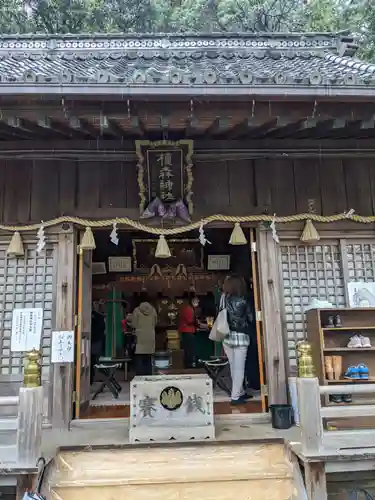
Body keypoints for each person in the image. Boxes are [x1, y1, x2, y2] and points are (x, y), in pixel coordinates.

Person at [222, 274, 253, 405]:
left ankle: (239, 392)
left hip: (226, 336)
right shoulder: (245, 300)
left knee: (234, 366)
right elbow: (251, 318)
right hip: (240, 336)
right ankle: (235, 397)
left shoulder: (224, 298)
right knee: (239, 368)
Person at [131, 292, 158, 376]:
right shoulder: (153, 310)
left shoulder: (136, 310)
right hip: (150, 335)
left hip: (140, 336)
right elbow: (155, 322)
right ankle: (149, 375)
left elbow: (134, 324)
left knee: (139, 357)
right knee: (148, 357)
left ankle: (139, 375)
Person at [179, 292, 198, 368]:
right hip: (188, 331)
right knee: (189, 350)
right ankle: (189, 365)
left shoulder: (189, 308)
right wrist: (197, 323)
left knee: (189, 349)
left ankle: (188, 363)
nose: (198, 302)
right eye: (196, 301)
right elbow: (190, 321)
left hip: (188, 331)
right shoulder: (188, 309)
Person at [90, 302, 106, 385]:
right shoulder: (99, 317)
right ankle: (93, 377)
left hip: (91, 340)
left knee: (90, 360)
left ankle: (90, 378)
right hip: (97, 340)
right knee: (95, 360)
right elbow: (103, 328)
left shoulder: (85, 316)